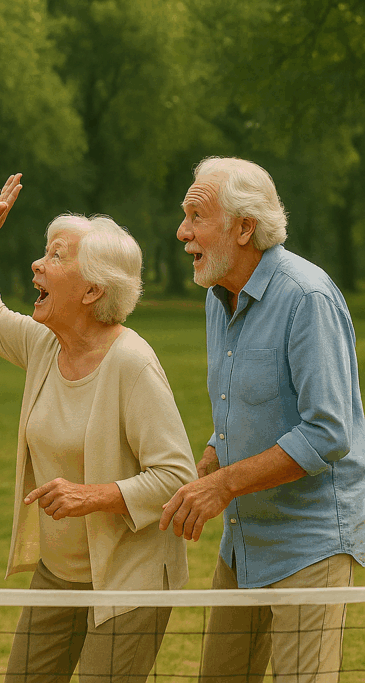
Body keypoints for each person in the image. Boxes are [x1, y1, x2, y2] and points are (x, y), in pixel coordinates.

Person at [0, 174, 196, 681]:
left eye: (56, 256)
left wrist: (92, 496)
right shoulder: (45, 343)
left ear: (92, 290)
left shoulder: (132, 364)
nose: (38, 264)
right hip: (59, 573)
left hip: (128, 578)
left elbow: (177, 476)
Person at [160, 157, 365, 682]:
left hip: (311, 547)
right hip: (243, 543)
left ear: (245, 228)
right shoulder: (218, 296)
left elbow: (328, 432)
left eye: (197, 216)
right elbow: (246, 400)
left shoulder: (307, 297)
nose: (182, 231)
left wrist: (224, 485)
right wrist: (212, 456)